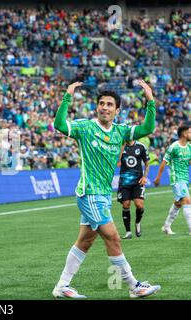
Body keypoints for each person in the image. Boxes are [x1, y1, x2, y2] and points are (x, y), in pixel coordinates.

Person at [52, 80, 160, 298]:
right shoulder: (86, 127)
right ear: (97, 107)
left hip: (102, 195)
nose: (105, 107)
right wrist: (67, 96)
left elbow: (148, 128)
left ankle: (61, 286)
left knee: (86, 240)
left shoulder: (120, 132)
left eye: (110, 104)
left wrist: (150, 100)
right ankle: (134, 286)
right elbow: (60, 125)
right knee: (113, 237)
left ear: (117, 110)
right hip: (89, 193)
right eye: (101, 103)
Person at [154, 125, 191, 235]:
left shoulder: (189, 147)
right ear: (184, 134)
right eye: (189, 132)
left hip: (185, 179)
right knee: (187, 201)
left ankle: (166, 226)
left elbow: (189, 162)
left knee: (178, 203)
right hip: (176, 179)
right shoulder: (174, 147)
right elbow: (164, 162)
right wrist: (158, 178)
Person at [117, 140, 150, 239]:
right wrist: (122, 147)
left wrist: (144, 177)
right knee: (126, 204)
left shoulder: (141, 146)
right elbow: (117, 162)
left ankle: (138, 222)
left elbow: (147, 164)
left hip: (138, 181)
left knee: (139, 205)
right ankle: (128, 232)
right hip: (124, 182)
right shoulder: (120, 146)